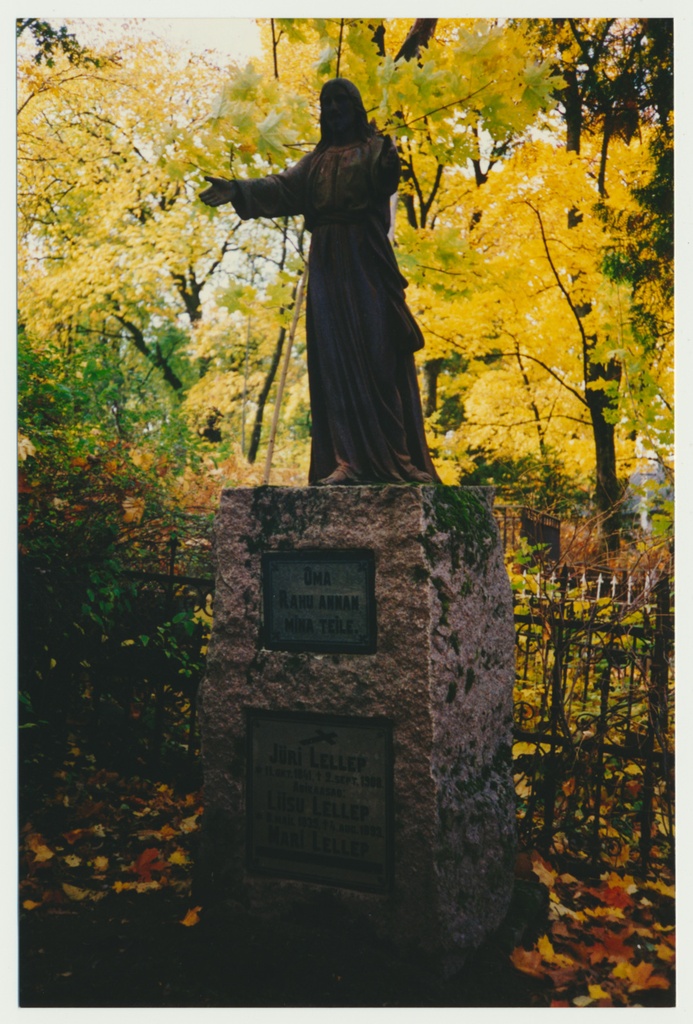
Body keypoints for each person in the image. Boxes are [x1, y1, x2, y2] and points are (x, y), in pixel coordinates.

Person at [199, 77, 440, 485]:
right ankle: (348, 462)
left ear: (356, 107)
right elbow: (281, 187)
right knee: (337, 361)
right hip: (328, 264)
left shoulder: (375, 149)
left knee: (379, 355)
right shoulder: (318, 159)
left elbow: (387, 181)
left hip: (367, 259)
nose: (332, 111)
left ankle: (399, 458)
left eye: (340, 102)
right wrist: (238, 189)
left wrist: (388, 160)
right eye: (326, 104)